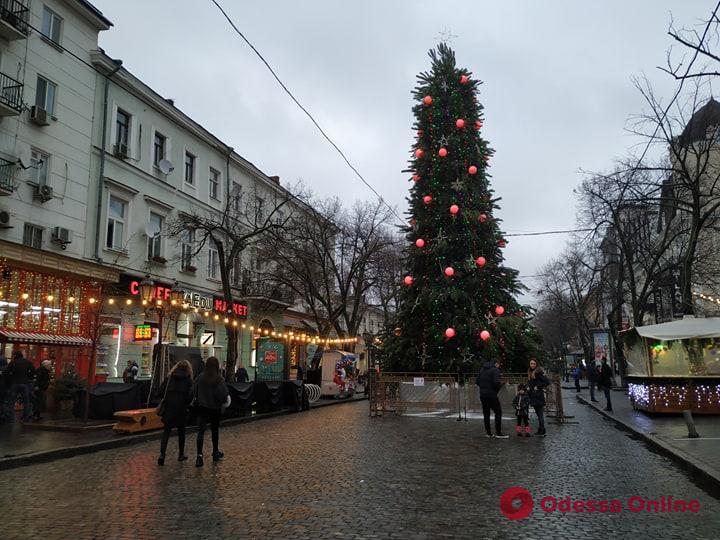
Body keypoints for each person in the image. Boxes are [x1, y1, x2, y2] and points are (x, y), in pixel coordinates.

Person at [192, 356, 229, 467]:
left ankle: (199, 456)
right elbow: (223, 395)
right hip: (215, 408)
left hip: (202, 407)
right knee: (215, 431)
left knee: (201, 432)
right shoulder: (218, 378)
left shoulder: (200, 377)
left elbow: (193, 391)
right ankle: (215, 452)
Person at [157, 360, 194, 466]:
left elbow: (160, 391)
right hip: (181, 409)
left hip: (169, 408)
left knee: (166, 432)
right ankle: (181, 454)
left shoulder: (169, 378)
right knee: (181, 432)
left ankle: (162, 455)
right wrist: (186, 403)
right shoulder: (188, 380)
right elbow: (190, 395)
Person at [475, 359, 508, 438]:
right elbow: (496, 382)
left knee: (486, 414)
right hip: (492, 395)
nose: (499, 367)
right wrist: (496, 389)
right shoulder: (495, 370)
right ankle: (498, 433)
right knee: (498, 412)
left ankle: (489, 433)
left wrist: (483, 388)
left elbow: (477, 381)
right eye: (499, 365)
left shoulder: (482, 369)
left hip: (483, 395)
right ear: (496, 364)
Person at [5, 350, 35, 421]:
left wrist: (9, 384)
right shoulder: (27, 362)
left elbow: (7, 374)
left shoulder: (13, 363)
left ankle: (11, 418)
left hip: (14, 383)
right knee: (26, 401)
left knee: (11, 402)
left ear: (15, 355)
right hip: (24, 383)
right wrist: (28, 378)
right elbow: (33, 371)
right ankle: (25, 417)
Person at [527, 357, 550, 437]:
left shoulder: (538, 372)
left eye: (533, 363)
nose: (532, 365)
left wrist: (538, 386)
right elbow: (531, 383)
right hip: (533, 395)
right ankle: (542, 430)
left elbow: (547, 382)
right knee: (538, 414)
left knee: (540, 414)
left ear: (536, 364)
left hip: (538, 395)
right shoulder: (531, 372)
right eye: (531, 363)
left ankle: (542, 430)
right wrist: (528, 387)